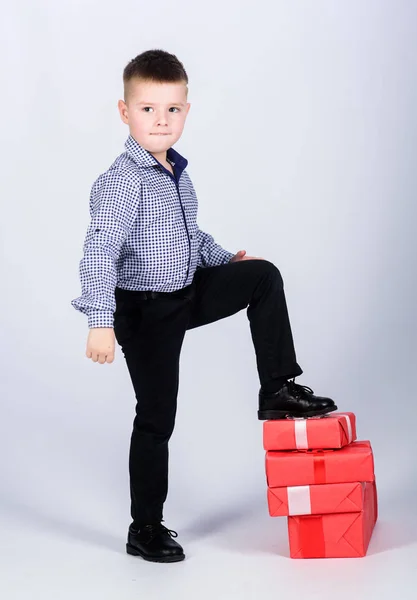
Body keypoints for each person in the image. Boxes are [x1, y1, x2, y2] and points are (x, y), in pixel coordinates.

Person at [71, 49, 338, 564]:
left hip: (185, 291)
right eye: (148, 109)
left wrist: (227, 259)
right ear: (125, 113)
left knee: (262, 275)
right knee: (156, 417)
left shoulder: (177, 174)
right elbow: (100, 251)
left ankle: (277, 387)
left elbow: (188, 238)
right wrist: (100, 322)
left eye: (171, 109)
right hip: (144, 311)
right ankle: (145, 526)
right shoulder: (119, 181)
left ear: (186, 112)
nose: (161, 120)